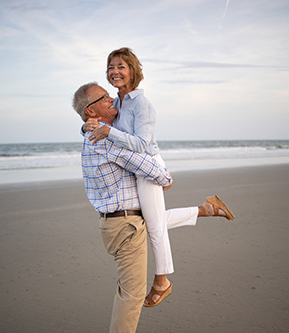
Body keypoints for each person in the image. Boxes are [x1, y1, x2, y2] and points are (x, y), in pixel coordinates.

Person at [73, 82, 235, 333]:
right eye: (103, 98)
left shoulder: (92, 136)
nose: (111, 98)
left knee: (127, 288)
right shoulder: (108, 142)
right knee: (132, 294)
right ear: (91, 111)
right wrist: (163, 175)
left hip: (117, 223)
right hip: (126, 225)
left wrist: (87, 125)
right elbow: (160, 174)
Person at [82, 47, 234, 307]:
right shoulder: (115, 103)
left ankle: (162, 281)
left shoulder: (142, 104)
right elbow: (97, 120)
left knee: (152, 226)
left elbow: (141, 144)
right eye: (111, 67)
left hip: (148, 164)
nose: (115, 71)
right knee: (150, 221)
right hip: (135, 166)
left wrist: (109, 132)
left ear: (132, 71)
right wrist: (86, 125)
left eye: (121, 66)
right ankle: (206, 209)